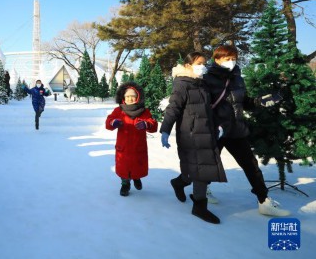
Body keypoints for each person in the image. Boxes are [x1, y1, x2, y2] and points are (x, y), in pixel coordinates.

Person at [203, 44, 290, 217]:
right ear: (217, 59)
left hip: (236, 131)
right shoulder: (207, 79)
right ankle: (198, 190)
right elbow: (202, 107)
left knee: (251, 165)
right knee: (209, 164)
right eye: (227, 58)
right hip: (217, 131)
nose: (231, 62)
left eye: (234, 58)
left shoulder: (238, 78)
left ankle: (263, 201)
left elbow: (244, 102)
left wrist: (261, 102)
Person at [160, 52, 227, 224]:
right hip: (190, 134)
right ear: (188, 65)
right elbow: (173, 108)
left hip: (206, 131)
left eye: (204, 63)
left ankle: (179, 182)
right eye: (199, 63)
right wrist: (165, 130)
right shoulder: (182, 84)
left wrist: (217, 124)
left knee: (198, 168)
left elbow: (209, 108)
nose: (203, 66)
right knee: (201, 170)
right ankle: (199, 207)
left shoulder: (202, 83)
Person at [105, 81, 158, 196]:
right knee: (124, 167)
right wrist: (113, 122)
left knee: (137, 165)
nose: (130, 99)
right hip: (123, 147)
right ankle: (125, 184)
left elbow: (153, 125)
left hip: (138, 146)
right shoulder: (118, 111)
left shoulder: (144, 111)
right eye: (127, 96)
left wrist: (146, 124)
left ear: (138, 97)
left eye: (133, 96)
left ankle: (136, 178)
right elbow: (108, 122)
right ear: (123, 97)